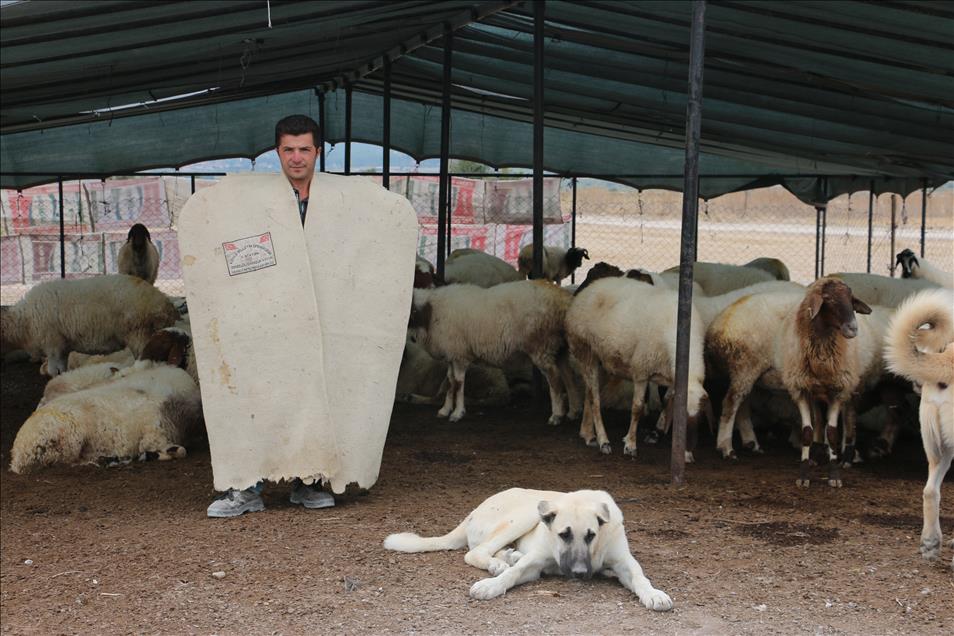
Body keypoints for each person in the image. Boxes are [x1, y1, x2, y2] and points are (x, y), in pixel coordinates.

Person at [206, 114, 334, 518]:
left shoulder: (337, 206)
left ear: (318, 151)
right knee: (256, 397)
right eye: (288, 150)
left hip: (320, 317)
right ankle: (247, 487)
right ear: (277, 152)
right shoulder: (253, 203)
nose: (297, 158)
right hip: (266, 319)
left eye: (305, 149)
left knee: (316, 397)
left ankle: (309, 481)